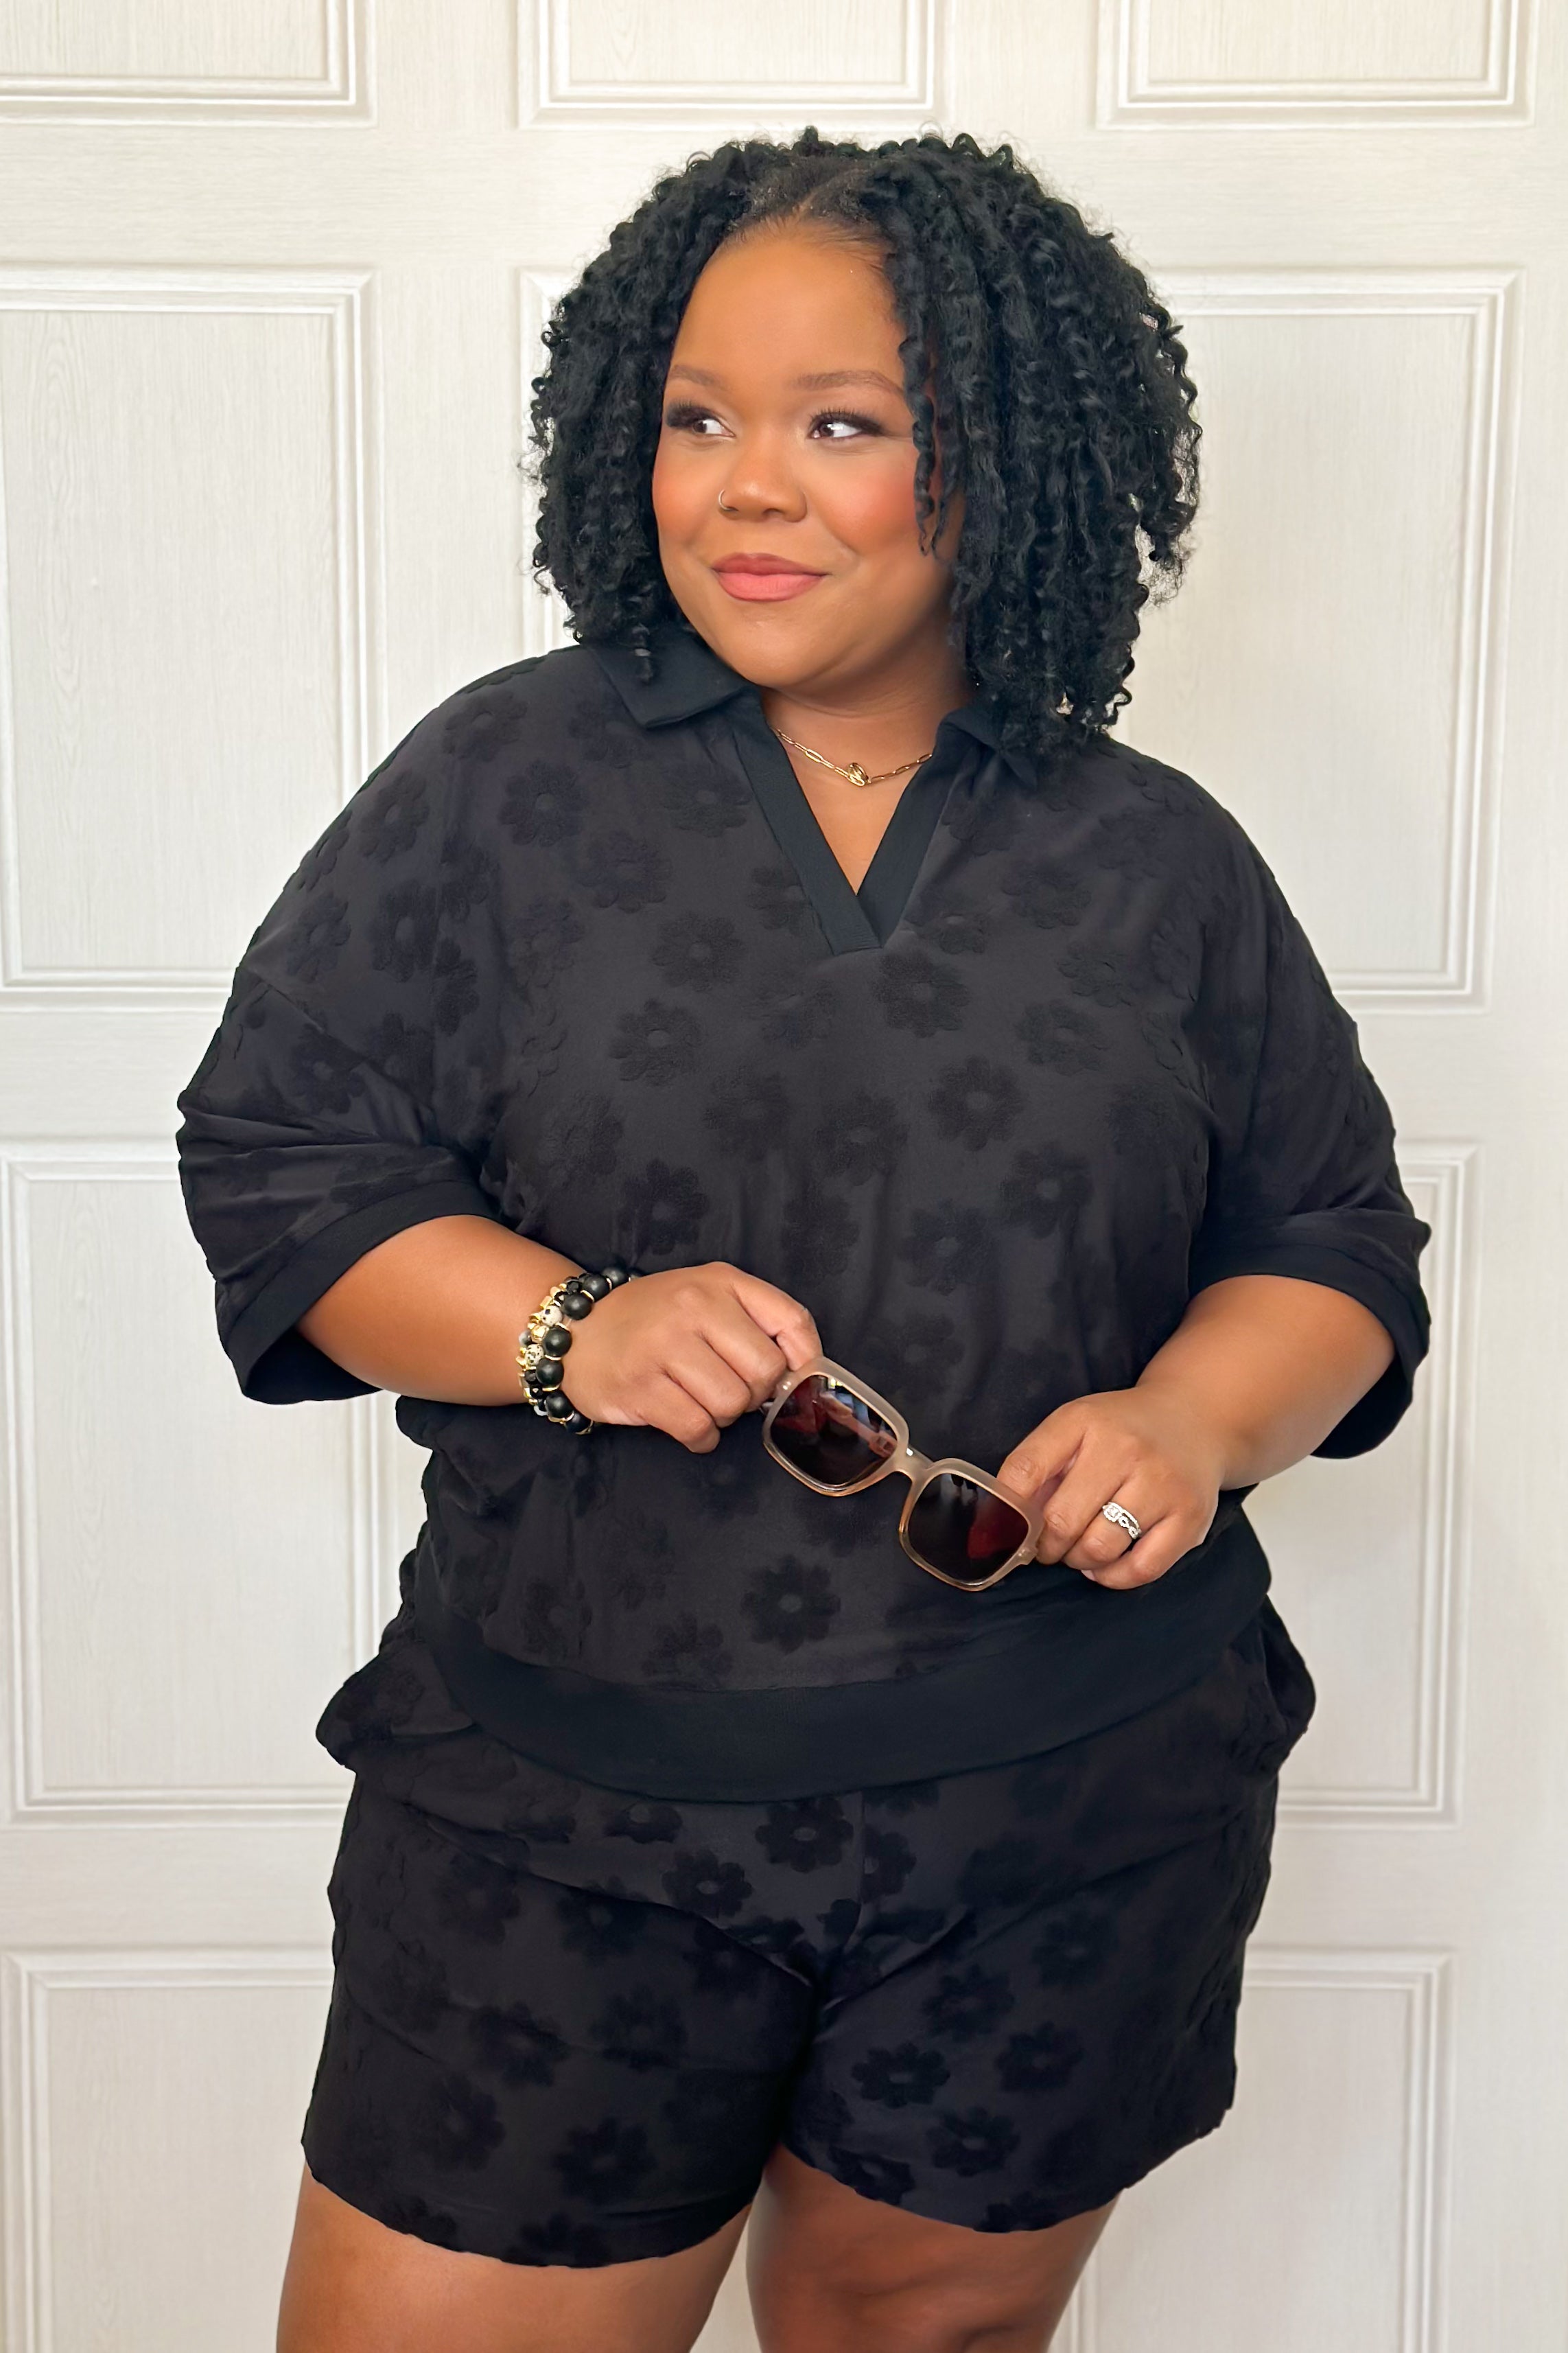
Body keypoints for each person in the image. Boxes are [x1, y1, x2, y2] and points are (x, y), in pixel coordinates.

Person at [174, 129, 1431, 2353]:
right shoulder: (504, 787)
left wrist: (1194, 1416)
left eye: (843, 424)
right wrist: (569, 1325)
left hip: (1064, 1817)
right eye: (698, 418)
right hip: (567, 1817)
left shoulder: (1154, 856)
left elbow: (1328, 1229)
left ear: (1004, 463)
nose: (747, 487)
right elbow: (286, 1157)